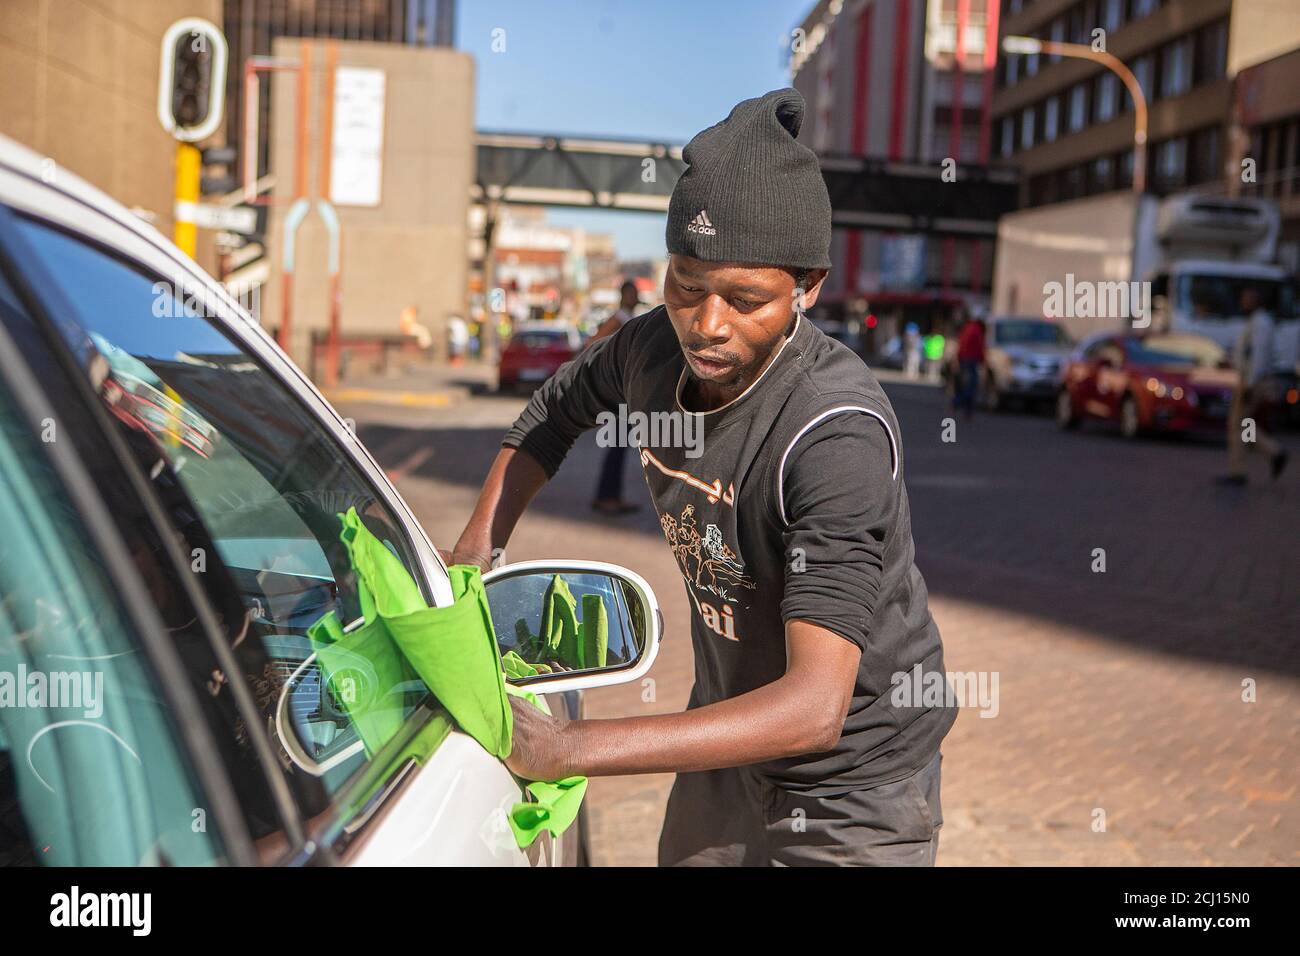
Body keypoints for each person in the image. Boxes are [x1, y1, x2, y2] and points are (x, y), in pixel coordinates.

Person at [447, 89, 956, 867]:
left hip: (853, 788)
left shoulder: (834, 434)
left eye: (746, 299)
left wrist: (568, 746)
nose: (707, 322)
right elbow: (552, 416)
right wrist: (474, 553)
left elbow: (817, 707)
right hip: (726, 737)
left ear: (807, 287)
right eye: (687, 283)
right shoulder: (649, 350)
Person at [1218, 286, 1288, 485]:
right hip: (1249, 379)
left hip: (1252, 381)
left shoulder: (1261, 324)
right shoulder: (1255, 323)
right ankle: (1273, 453)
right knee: (1243, 425)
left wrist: (1249, 383)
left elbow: (1258, 356)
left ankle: (1242, 469)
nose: (1243, 302)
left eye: (1246, 299)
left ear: (1255, 301)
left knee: (1237, 425)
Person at [589, 281, 643, 515]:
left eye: (636, 293)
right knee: (617, 446)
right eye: (631, 293)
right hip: (618, 393)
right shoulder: (619, 318)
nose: (635, 297)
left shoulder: (630, 318)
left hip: (627, 391)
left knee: (620, 446)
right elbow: (592, 345)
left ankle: (611, 496)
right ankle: (606, 497)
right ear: (623, 295)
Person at [953, 316, 986, 419]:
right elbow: (979, 347)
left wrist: (959, 357)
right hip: (971, 360)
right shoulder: (976, 331)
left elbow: (961, 343)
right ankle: (963, 405)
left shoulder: (968, 328)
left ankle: (960, 404)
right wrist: (981, 358)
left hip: (964, 359)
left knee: (965, 384)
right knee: (971, 385)